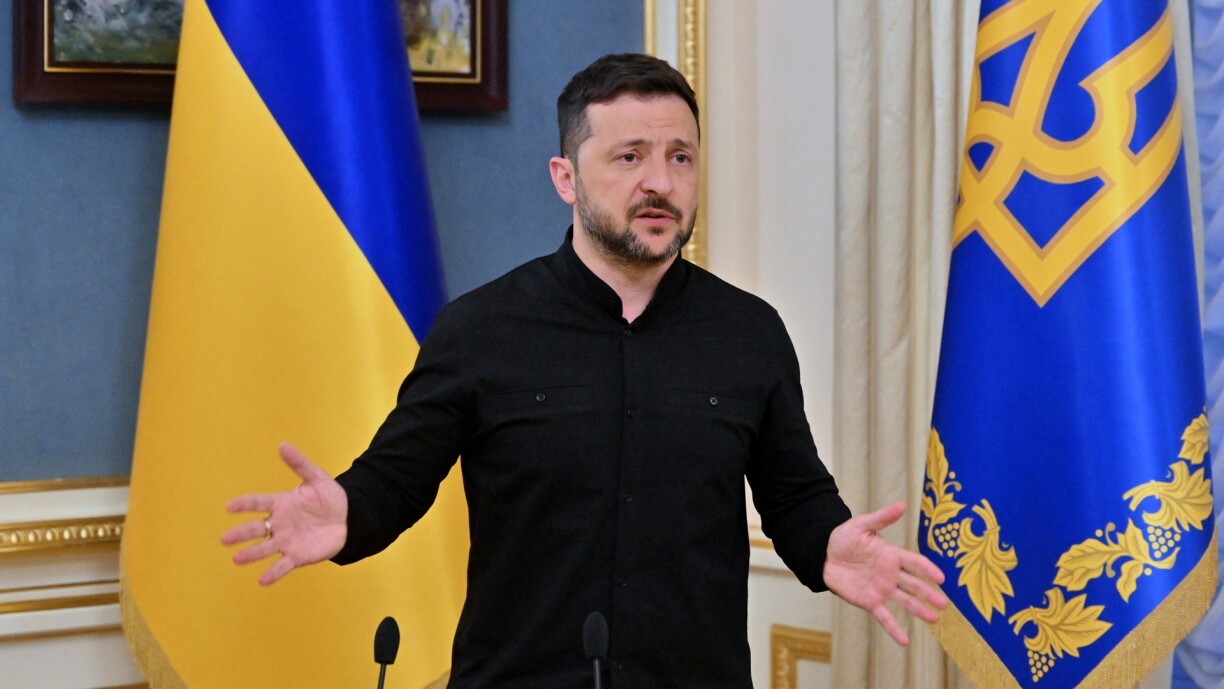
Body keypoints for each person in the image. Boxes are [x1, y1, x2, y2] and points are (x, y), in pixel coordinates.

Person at [222, 52, 946, 688]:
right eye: (629, 157)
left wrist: (828, 545)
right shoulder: (480, 330)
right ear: (565, 178)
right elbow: (396, 481)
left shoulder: (750, 332)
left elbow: (794, 497)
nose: (660, 182)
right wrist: (348, 511)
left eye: (681, 157)